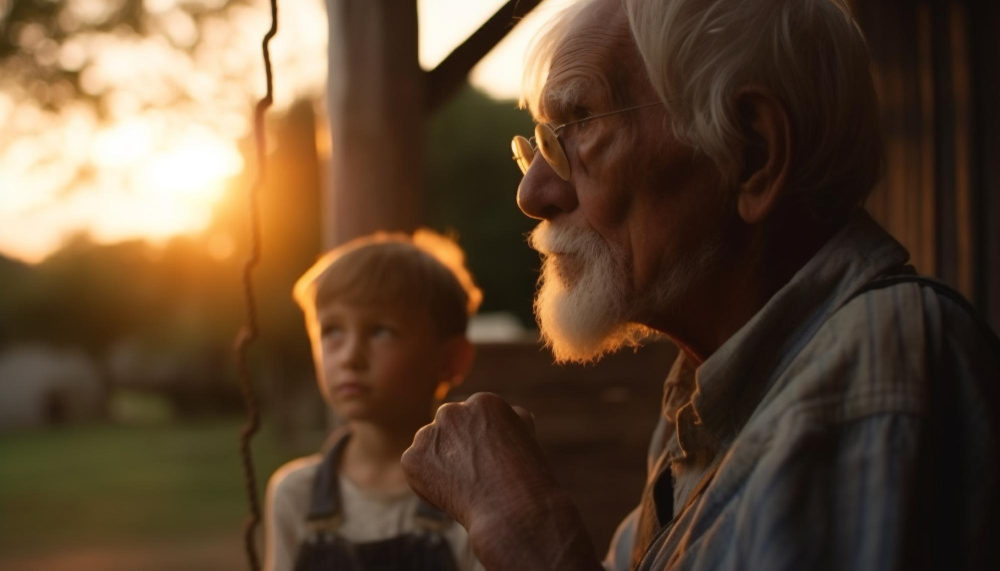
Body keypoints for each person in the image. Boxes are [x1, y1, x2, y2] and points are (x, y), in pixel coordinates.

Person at [400, 0, 1000, 570]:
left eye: (579, 126)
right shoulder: (706, 399)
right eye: (541, 142)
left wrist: (525, 532)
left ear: (752, 152)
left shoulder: (871, 363)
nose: (533, 194)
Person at [264, 230, 485, 571]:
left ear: (450, 359)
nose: (350, 357)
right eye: (332, 330)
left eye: (381, 331)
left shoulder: (472, 498)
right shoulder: (296, 495)